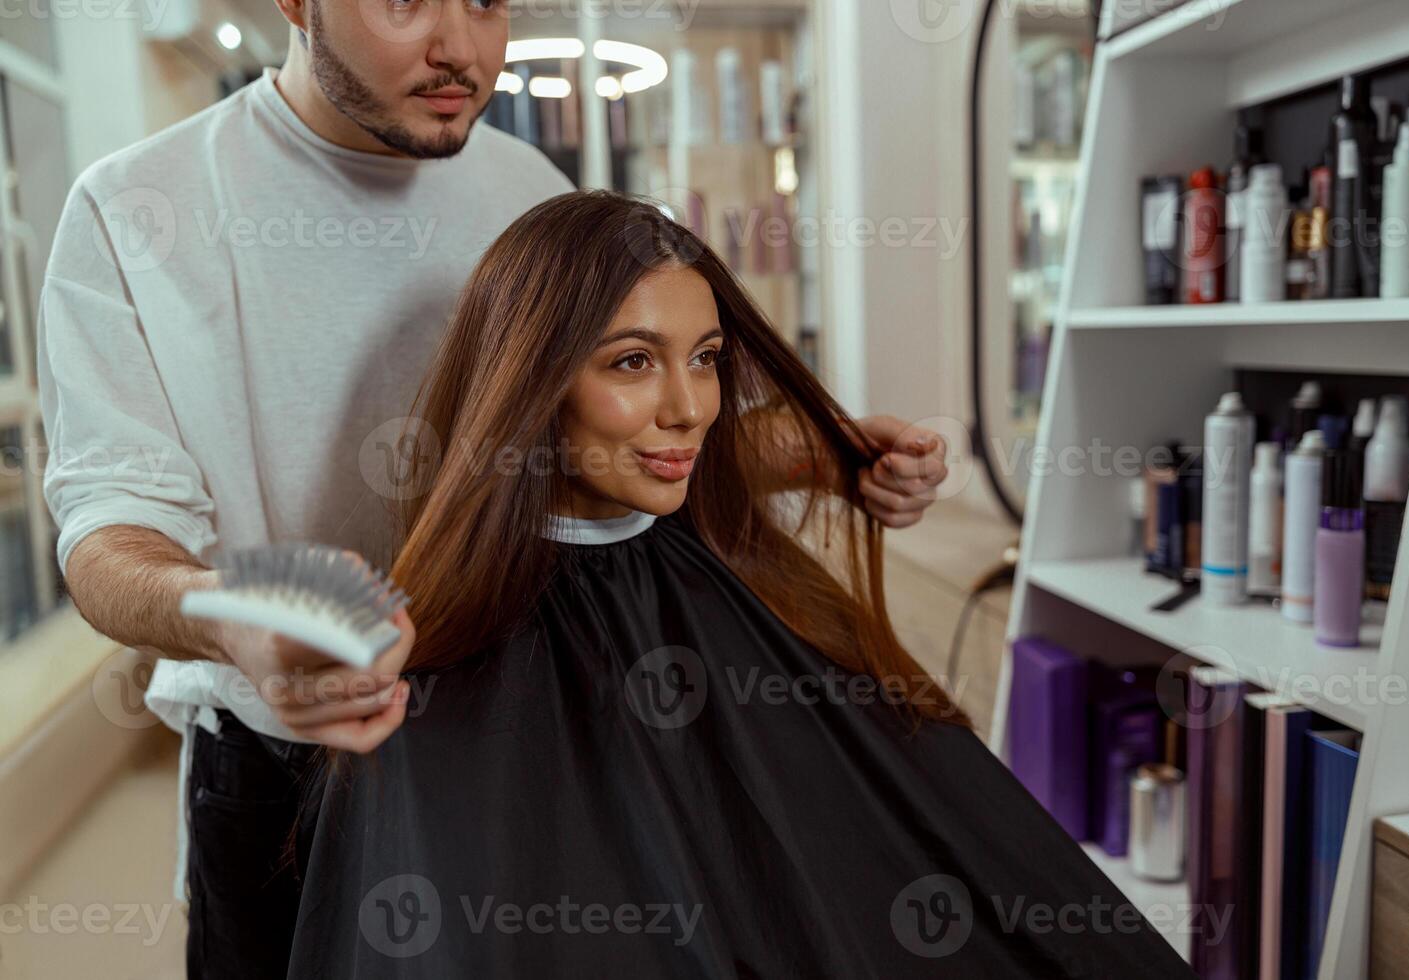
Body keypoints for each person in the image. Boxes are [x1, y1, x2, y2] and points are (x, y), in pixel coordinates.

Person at [34, 4, 949, 979]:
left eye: (486, 2)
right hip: (287, 763)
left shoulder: (526, 187)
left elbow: (599, 444)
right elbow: (108, 536)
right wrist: (228, 615)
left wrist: (820, 453)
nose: (460, 49)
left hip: (530, 729)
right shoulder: (139, 211)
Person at [282, 191, 1193, 978]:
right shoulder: (443, 665)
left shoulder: (735, 584)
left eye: (708, 356)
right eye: (632, 361)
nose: (691, 406)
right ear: (530, 379)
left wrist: (833, 453)